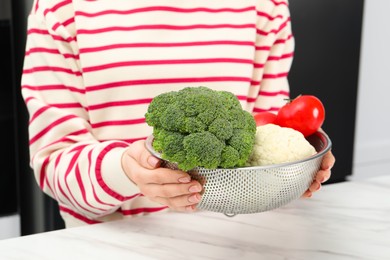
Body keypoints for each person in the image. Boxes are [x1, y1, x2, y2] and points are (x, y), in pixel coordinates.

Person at [21, 0, 335, 227]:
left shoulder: (266, 7)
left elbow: (266, 133)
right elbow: (53, 161)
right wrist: (125, 171)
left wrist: (293, 169)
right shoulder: (60, 8)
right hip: (111, 241)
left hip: (233, 236)